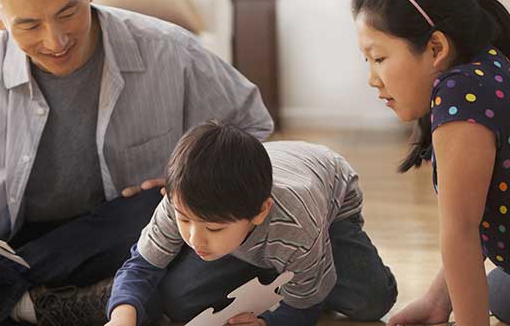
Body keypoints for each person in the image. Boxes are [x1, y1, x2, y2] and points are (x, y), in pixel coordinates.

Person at [0, 0, 273, 324]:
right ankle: (38, 305)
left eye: (68, 13)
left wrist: (187, 180)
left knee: (173, 212)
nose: (56, 40)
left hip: (125, 231)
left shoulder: (171, 51)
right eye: (29, 25)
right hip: (12, 240)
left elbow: (252, 128)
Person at [106, 121, 397, 326]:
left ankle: (293, 262)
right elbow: (141, 265)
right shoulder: (181, 199)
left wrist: (273, 321)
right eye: (185, 221)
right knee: (179, 302)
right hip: (258, 223)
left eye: (213, 228)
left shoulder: (297, 222)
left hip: (329, 203)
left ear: (260, 212)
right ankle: (274, 263)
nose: (195, 239)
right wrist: (122, 315)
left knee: (371, 301)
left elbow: (306, 303)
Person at [352, 0, 510, 324]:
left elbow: (462, 231)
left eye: (379, 58)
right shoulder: (487, 65)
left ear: (436, 47)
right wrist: (439, 301)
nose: (372, 79)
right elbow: (480, 207)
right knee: (498, 291)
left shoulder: (461, 95)